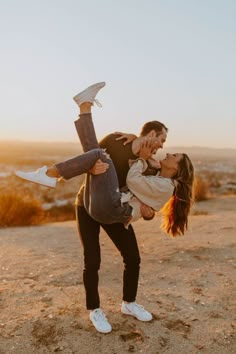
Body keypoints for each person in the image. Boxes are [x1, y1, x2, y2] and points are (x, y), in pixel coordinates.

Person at [15, 82, 194, 333]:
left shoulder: (152, 165)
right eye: (162, 139)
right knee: (92, 259)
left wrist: (150, 212)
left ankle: (129, 303)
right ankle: (95, 309)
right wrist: (90, 168)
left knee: (132, 257)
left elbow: (149, 197)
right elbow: (87, 156)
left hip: (114, 211)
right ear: (151, 134)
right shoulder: (114, 140)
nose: (162, 146)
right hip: (88, 203)